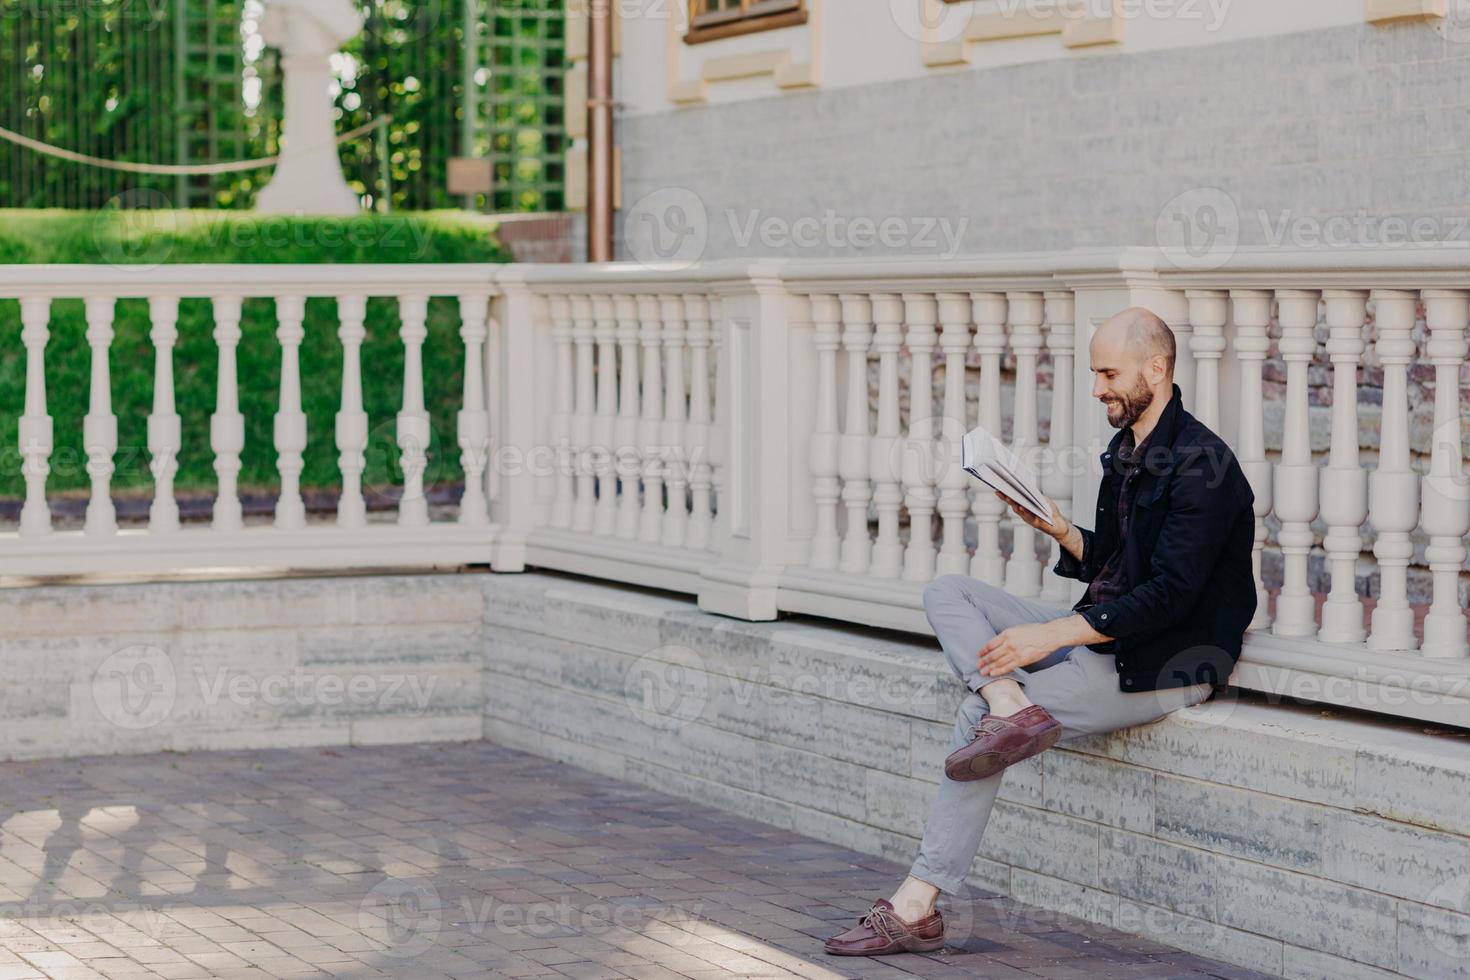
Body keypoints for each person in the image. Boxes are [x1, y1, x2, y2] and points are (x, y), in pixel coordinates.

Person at [824, 307, 1258, 957]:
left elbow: (1168, 596)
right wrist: (1057, 528)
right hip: (1108, 639)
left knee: (973, 719)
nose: (1097, 389)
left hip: (1164, 662)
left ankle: (917, 906)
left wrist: (1051, 636)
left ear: (1157, 369)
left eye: (1108, 373)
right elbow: (1113, 565)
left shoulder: (1204, 468)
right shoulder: (1126, 451)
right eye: (1095, 373)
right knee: (947, 590)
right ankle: (1010, 704)